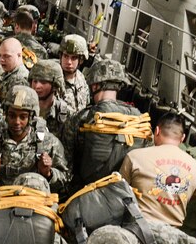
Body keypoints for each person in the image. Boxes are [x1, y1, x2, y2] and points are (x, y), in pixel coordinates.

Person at [0, 85, 70, 194]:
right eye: (12, 116)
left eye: (23, 117)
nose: (17, 122)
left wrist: (48, 173)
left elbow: (66, 179)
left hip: (36, 201)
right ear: (5, 114)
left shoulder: (49, 143)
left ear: (31, 117)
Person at [63, 59, 151, 188]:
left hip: (87, 191)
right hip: (124, 192)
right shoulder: (138, 120)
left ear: (94, 86)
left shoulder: (82, 118)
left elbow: (67, 161)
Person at [119, 113, 196, 228]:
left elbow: (119, 190)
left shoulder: (135, 156)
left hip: (138, 228)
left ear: (157, 131)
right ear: (183, 138)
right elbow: (193, 196)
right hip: (173, 233)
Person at [29, 59, 72, 142]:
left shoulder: (67, 115)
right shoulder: (24, 110)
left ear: (55, 85)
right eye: (35, 81)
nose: (37, 86)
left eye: (43, 82)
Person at [59, 34, 91, 114]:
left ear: (81, 60)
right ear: (61, 56)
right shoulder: (54, 77)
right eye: (65, 56)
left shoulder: (81, 78)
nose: (69, 62)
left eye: (74, 58)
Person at [0, 37, 30, 106]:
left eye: (6, 56)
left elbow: (17, 106)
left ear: (19, 55)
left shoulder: (21, 80)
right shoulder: (8, 72)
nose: (1, 59)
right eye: (0, 55)